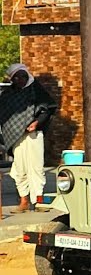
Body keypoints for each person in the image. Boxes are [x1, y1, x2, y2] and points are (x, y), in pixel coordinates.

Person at [0, 64, 55, 212]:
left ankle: (38, 201)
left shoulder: (36, 91)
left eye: (22, 76)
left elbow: (48, 109)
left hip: (33, 135)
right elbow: (4, 115)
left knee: (36, 167)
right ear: (12, 79)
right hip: (15, 137)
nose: (20, 79)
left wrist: (37, 122)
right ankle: (23, 201)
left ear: (27, 76)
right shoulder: (7, 95)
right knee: (20, 168)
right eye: (16, 77)